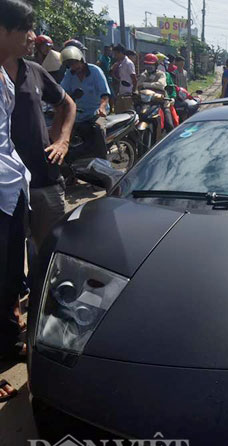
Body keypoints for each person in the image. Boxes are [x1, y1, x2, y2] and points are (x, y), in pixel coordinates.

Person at [4, 36, 76, 249]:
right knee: (11, 255)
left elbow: (67, 104)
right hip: (7, 188)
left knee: (50, 249)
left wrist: (62, 140)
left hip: (44, 179)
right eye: (24, 29)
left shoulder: (34, 71)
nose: (31, 37)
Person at [0, 0, 35, 402]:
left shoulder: (5, 75)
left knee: (10, 278)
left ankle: (8, 344)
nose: (31, 37)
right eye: (25, 29)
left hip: (11, 191)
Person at [60, 44, 110, 159]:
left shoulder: (95, 71)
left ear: (81, 60)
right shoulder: (69, 75)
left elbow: (105, 94)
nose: (74, 67)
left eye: (75, 63)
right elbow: (62, 92)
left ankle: (103, 160)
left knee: (98, 128)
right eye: (70, 64)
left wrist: (102, 107)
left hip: (97, 112)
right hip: (78, 113)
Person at [138, 53, 176, 131]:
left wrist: (144, 84)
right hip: (145, 102)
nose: (149, 67)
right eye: (147, 64)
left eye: (151, 65)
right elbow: (138, 86)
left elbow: (161, 85)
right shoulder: (143, 75)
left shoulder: (161, 74)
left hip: (161, 101)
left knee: (169, 124)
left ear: (156, 65)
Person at [111, 44, 136, 113]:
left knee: (129, 112)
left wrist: (133, 91)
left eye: (116, 54)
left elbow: (134, 78)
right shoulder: (120, 63)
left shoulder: (128, 63)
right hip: (121, 91)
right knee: (118, 112)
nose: (115, 56)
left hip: (128, 93)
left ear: (120, 52)